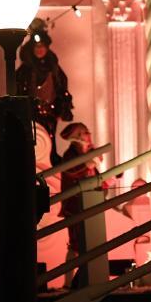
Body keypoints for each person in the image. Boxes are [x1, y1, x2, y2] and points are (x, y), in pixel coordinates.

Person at [15, 19, 73, 166]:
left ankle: (51, 160)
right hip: (31, 114)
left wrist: (61, 108)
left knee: (50, 139)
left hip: (51, 113)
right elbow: (19, 91)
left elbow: (61, 87)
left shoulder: (53, 67)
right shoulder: (25, 71)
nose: (39, 49)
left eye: (42, 46)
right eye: (36, 46)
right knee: (34, 141)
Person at [58, 122, 102, 288]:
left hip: (91, 202)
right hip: (75, 205)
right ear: (77, 136)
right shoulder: (70, 154)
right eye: (85, 132)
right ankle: (70, 282)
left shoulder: (88, 153)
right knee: (76, 244)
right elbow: (72, 171)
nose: (89, 134)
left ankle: (87, 278)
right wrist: (87, 165)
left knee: (90, 242)